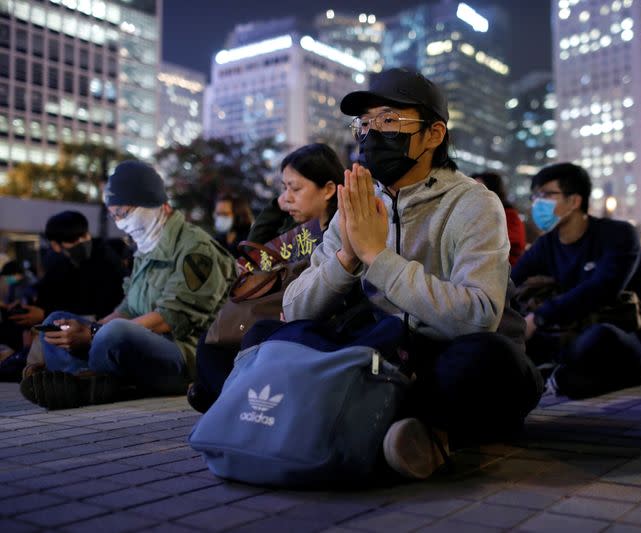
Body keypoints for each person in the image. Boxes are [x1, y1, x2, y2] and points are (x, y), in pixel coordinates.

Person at [281, 68, 542, 480]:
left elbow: (478, 316)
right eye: (364, 124)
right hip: (383, 357)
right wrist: (348, 257)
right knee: (271, 337)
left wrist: (377, 256)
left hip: (446, 358)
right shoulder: (358, 205)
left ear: (434, 135)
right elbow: (294, 308)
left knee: (490, 360)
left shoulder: (474, 204)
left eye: (388, 121)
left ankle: (418, 431)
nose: (370, 134)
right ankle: (405, 430)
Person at [20, 160, 236, 409]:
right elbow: (128, 308)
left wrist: (92, 334)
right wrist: (87, 328)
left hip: (182, 354)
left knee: (114, 332)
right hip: (138, 343)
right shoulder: (146, 245)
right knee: (57, 322)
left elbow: (171, 318)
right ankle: (89, 383)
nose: (119, 222)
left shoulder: (196, 248)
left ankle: (83, 380)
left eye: (123, 212)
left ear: (154, 205)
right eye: (113, 215)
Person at [188, 143, 344, 413]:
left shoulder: (341, 231)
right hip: (273, 307)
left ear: (329, 189)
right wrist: (276, 205)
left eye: (295, 189)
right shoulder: (293, 230)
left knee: (254, 336)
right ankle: (226, 399)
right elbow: (255, 249)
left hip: (310, 317)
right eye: (284, 188)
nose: (288, 197)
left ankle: (228, 402)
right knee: (214, 335)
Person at [511, 163, 641, 399]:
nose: (538, 203)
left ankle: (553, 374)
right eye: (534, 196)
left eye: (547, 194)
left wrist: (539, 317)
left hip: (624, 339)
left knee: (598, 337)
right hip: (570, 336)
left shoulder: (618, 234)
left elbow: (602, 288)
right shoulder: (547, 244)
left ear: (574, 201)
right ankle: (557, 377)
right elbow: (511, 279)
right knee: (511, 341)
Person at [473, 172, 527, 265]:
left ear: (493, 190)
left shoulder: (509, 215)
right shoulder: (473, 214)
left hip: (503, 270)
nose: (473, 194)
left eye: (479, 188)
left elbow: (499, 245)